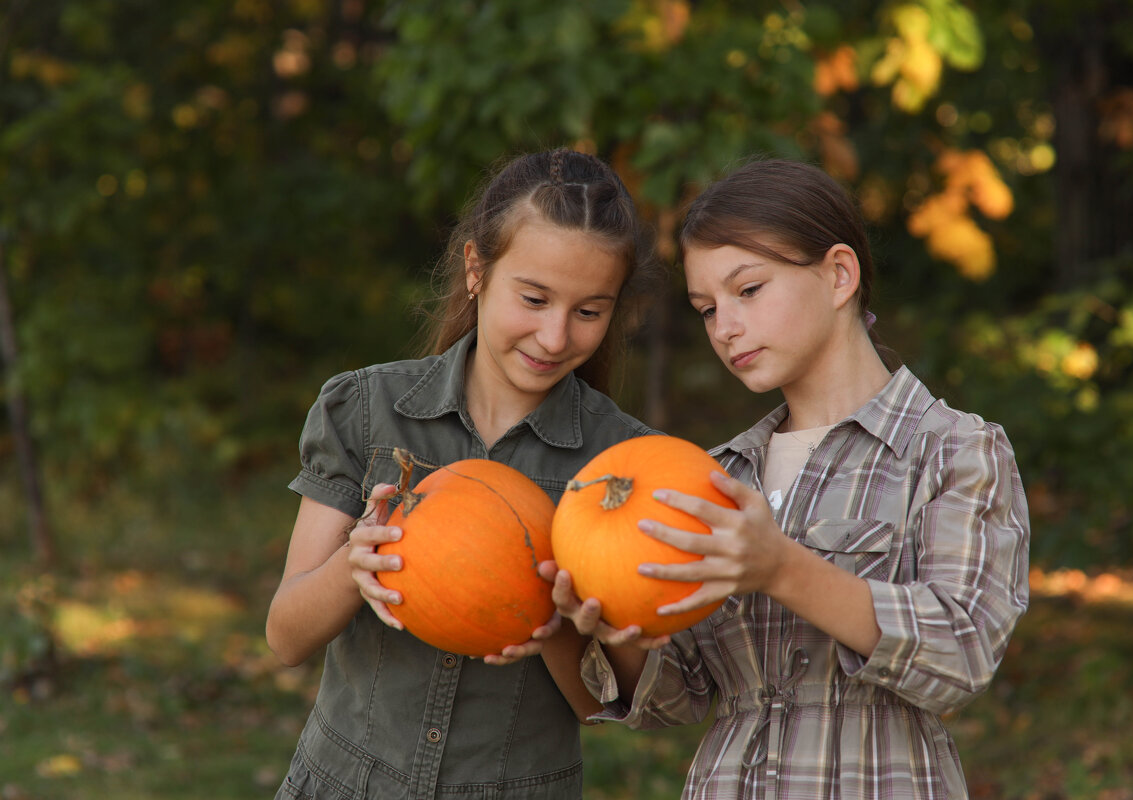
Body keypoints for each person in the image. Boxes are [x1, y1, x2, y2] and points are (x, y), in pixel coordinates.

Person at [549, 159, 1031, 800]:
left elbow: (961, 651)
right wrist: (611, 630)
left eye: (748, 290)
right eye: (706, 308)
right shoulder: (717, 475)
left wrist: (780, 566)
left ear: (839, 275)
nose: (725, 327)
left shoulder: (952, 450)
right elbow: (681, 694)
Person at [265, 147, 661, 800]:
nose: (556, 336)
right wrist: (352, 566)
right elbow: (285, 637)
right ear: (477, 268)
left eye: (589, 311)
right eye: (533, 298)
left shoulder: (621, 463)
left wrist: (554, 625)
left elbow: (605, 706)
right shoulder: (366, 411)